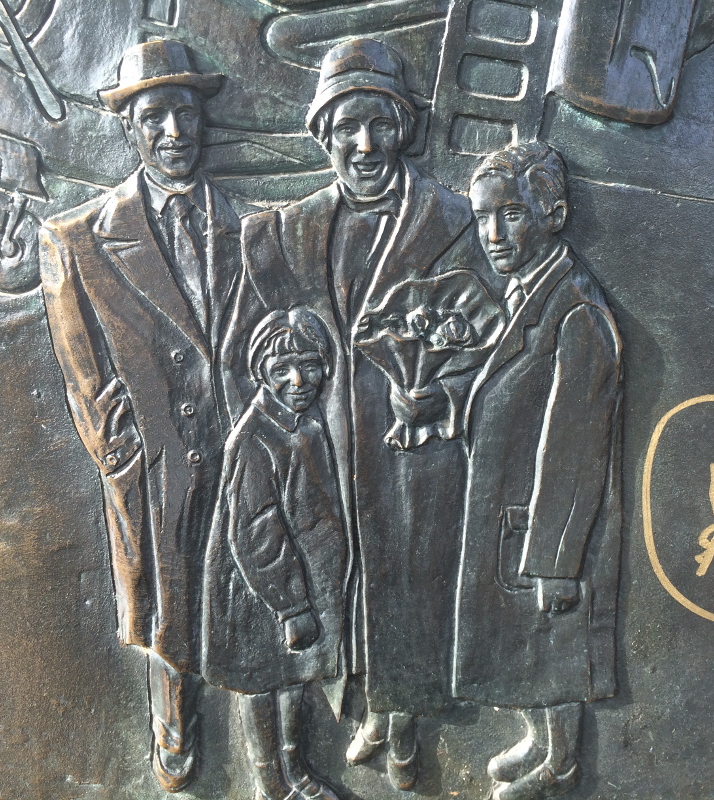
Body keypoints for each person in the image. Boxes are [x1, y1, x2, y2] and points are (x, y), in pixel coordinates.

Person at [239, 37, 489, 791]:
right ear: (323, 134)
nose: (365, 144)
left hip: (419, 452)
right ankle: (361, 706)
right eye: (347, 126)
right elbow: (258, 346)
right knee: (336, 581)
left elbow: (491, 340)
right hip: (325, 450)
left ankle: (406, 723)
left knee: (413, 585)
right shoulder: (278, 235)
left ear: (405, 128)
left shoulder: (456, 220)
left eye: (381, 124)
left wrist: (443, 393)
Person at [39, 40, 250, 792]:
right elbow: (83, 377)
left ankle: (270, 744)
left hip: (244, 444)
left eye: (185, 113)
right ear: (129, 127)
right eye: (154, 116)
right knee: (168, 601)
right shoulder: (76, 240)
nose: (173, 131)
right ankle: (172, 724)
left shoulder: (255, 225)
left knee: (253, 585)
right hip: (157, 460)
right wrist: (124, 457)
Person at [454, 142, 623, 800]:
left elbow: (576, 445)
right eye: (482, 217)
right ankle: (539, 740)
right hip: (514, 513)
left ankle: (562, 764)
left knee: (554, 641)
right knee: (526, 642)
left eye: (511, 214)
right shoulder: (529, 293)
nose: (493, 234)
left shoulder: (574, 309)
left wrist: (556, 561)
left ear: (553, 214)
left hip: (547, 526)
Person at [202, 308, 347, 800]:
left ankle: (295, 770)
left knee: (293, 679)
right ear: (261, 373)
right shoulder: (254, 438)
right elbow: (255, 532)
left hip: (299, 584)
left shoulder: (305, 425)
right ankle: (269, 783)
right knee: (261, 685)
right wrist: (292, 606)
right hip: (262, 594)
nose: (298, 380)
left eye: (309, 365)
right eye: (282, 369)